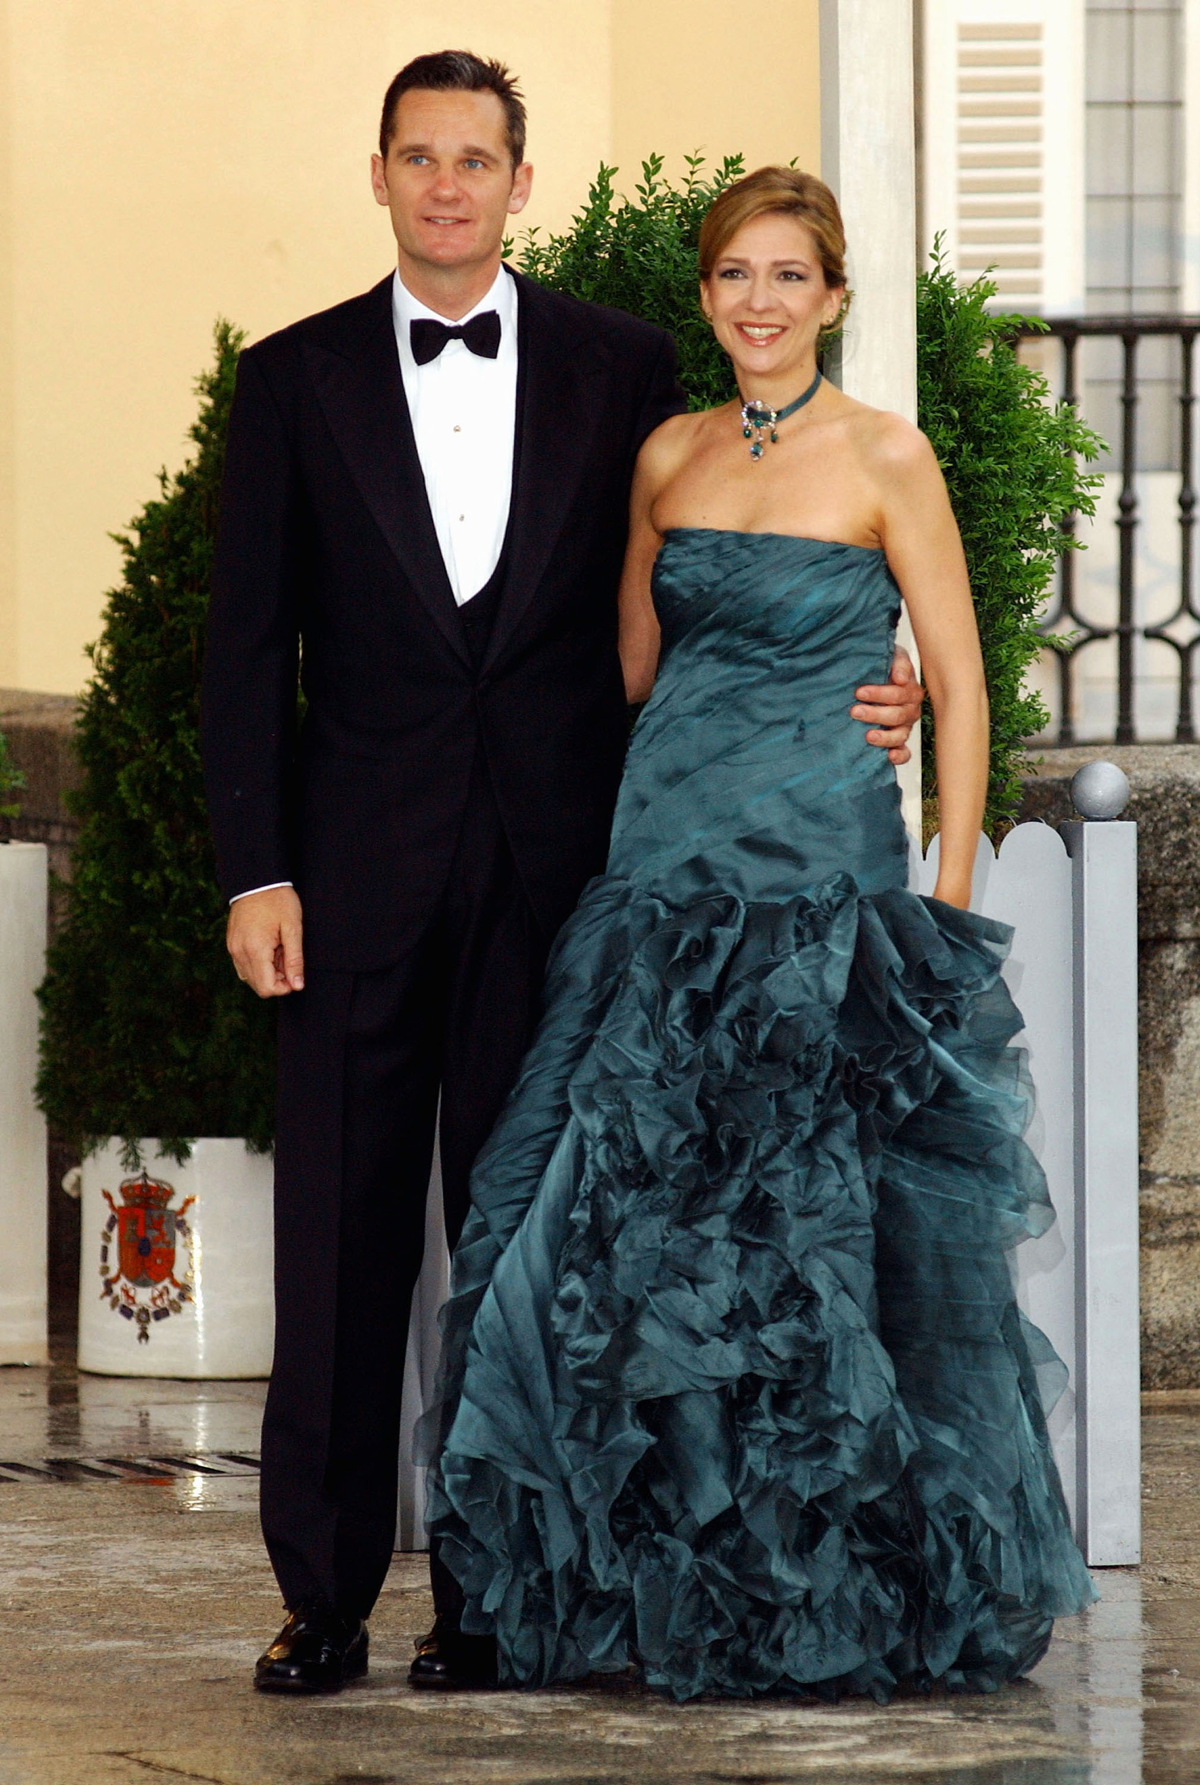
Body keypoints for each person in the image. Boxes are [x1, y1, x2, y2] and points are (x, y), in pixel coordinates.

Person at [200, 60, 922, 1695]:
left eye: (478, 160)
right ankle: (319, 1599)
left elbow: (757, 558)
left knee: (533, 1251)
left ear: (522, 183)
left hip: (568, 880)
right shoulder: (293, 381)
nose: (448, 186)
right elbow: (245, 652)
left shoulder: (625, 367)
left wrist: (890, 676)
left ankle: (495, 1596)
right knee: (339, 1251)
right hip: (352, 887)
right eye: (419, 158)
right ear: (378, 175)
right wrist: (257, 871)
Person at [420, 165, 1096, 1701]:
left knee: (810, 1247)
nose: (763, 302)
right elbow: (642, 670)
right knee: (594, 1227)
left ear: (835, 298)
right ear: (709, 295)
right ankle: (638, 1586)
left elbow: (964, 685)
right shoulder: (665, 455)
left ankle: (818, 1592)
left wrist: (944, 901)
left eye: (792, 276)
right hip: (660, 875)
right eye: (736, 274)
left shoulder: (889, 458)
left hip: (823, 888)